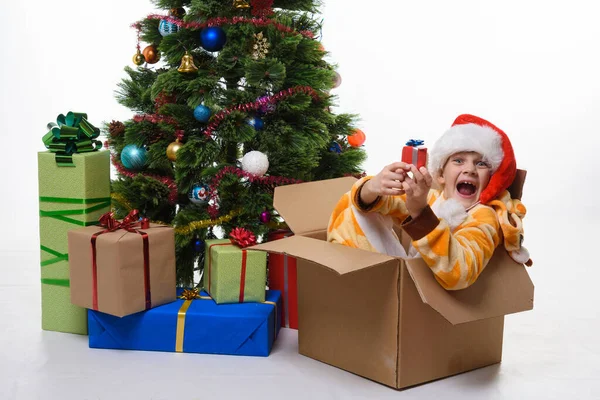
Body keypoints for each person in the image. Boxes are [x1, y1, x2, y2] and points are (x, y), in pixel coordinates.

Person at [327, 114, 531, 290]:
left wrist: (420, 214)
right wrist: (374, 187)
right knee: (355, 206)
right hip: (404, 284)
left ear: (490, 180)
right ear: (440, 175)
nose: (469, 169)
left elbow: (460, 272)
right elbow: (381, 202)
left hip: (428, 302)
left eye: (481, 163)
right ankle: (350, 282)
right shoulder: (436, 198)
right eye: (458, 161)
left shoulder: (484, 217)